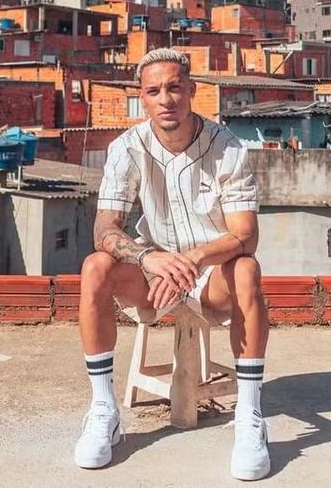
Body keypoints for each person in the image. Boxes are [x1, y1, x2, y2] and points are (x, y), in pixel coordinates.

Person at [74, 48, 270, 481]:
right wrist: (149, 258)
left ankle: (249, 417)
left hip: (211, 274)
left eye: (174, 87)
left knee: (247, 269)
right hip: (153, 273)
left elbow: (245, 235)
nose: (165, 99)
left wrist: (193, 260)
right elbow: (104, 228)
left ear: (191, 90)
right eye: (154, 91)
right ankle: (104, 410)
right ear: (142, 98)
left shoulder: (227, 147)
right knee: (95, 266)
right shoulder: (126, 148)